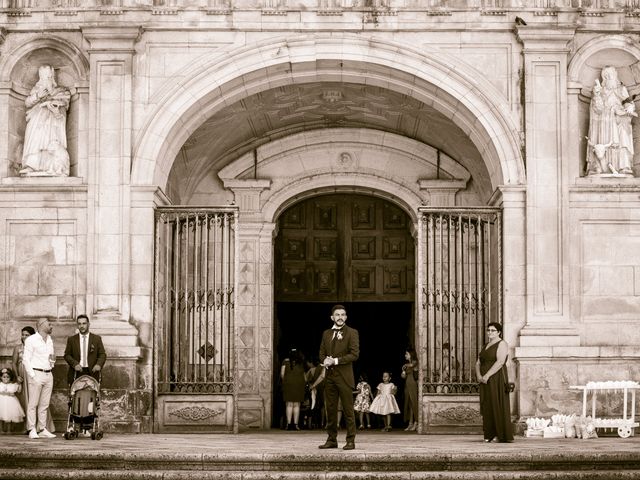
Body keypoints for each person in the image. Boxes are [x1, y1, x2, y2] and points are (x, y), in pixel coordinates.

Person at [318, 304, 360, 450]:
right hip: (329, 376)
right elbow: (321, 353)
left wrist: (335, 361)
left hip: (344, 377)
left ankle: (350, 440)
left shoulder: (352, 332)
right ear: (332, 317)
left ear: (346, 317)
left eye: (343, 315)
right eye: (337, 315)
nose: (340, 317)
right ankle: (331, 439)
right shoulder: (326, 334)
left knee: (348, 410)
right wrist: (324, 360)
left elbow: (354, 355)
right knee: (330, 409)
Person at [20, 65, 71, 177]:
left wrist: (55, 108)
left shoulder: (61, 91)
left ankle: (51, 167)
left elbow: (64, 104)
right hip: (36, 120)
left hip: (52, 122)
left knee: (51, 142)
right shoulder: (36, 90)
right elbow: (27, 103)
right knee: (35, 140)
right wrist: (38, 96)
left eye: (48, 77)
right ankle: (31, 165)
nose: (45, 80)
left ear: (52, 77)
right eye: (42, 77)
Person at [586, 66, 635, 176]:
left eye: (611, 75)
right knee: (604, 143)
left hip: (620, 122)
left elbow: (628, 103)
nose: (609, 78)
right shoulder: (601, 91)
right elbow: (597, 110)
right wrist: (597, 95)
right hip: (604, 123)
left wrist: (630, 107)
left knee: (623, 143)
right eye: (606, 76)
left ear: (615, 76)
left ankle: (623, 166)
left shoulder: (622, 89)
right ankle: (602, 167)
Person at [11, 326, 55, 434]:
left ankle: (41, 426)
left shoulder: (36, 345)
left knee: (39, 401)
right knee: (26, 401)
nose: (24, 337)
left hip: (34, 373)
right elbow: (14, 363)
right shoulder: (18, 348)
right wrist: (17, 376)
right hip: (23, 375)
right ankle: (29, 428)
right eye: (23, 334)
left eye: (27, 335)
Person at [475, 322, 513, 443]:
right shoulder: (486, 345)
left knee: (497, 404)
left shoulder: (502, 344)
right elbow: (478, 362)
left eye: (492, 330)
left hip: (496, 378)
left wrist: (487, 375)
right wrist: (479, 375)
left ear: (499, 332)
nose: (489, 332)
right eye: (488, 330)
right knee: (487, 405)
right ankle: (489, 434)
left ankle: (500, 434)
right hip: (484, 379)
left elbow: (500, 362)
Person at [22, 317, 56, 439]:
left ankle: (42, 428)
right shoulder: (31, 340)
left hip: (48, 374)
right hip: (36, 374)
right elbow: (26, 359)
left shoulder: (50, 339)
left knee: (44, 404)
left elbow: (51, 356)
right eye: (49, 324)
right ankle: (31, 429)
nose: (51, 326)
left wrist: (52, 364)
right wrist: (33, 376)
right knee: (33, 403)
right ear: (41, 325)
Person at [64, 314, 107, 386]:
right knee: (76, 396)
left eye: (84, 323)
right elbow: (67, 355)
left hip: (92, 372)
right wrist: (75, 364)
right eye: (79, 324)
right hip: (77, 372)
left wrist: (98, 364)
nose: (82, 326)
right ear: (77, 325)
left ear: (88, 324)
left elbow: (102, 354)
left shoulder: (96, 339)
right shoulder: (72, 339)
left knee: (92, 396)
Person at [279, 348, 306, 430]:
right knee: (297, 405)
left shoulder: (285, 361)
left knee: (289, 404)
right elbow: (304, 376)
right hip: (299, 384)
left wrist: (286, 381)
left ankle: (288, 424)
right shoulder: (301, 362)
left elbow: (282, 374)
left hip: (288, 384)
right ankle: (296, 425)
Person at [0, 368, 25, 432]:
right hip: (1, 401)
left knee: (10, 416)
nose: (6, 378)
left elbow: (19, 390)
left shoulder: (12, 385)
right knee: (1, 415)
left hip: (10, 402)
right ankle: (1, 430)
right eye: (4, 377)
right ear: (1, 377)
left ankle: (9, 430)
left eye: (7, 377)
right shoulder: (0, 384)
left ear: (10, 378)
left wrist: (19, 383)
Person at [400, 349, 419, 431]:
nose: (405, 355)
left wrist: (405, 365)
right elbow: (403, 376)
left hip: (413, 384)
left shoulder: (415, 362)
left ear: (411, 354)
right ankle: (410, 423)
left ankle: (416, 422)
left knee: (414, 402)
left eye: (406, 354)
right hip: (407, 384)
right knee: (409, 404)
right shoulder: (407, 365)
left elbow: (412, 365)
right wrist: (403, 372)